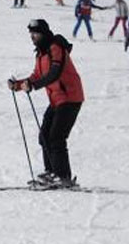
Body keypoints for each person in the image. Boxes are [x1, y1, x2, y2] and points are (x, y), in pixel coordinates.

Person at [8, 19, 83, 189]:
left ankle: (63, 177)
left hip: (70, 97)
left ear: (43, 33)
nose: (32, 36)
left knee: (56, 137)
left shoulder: (56, 47)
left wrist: (33, 86)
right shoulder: (41, 54)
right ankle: (51, 173)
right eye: (31, 33)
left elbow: (55, 73)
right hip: (56, 99)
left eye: (35, 33)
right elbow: (36, 75)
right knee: (44, 137)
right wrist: (18, 85)